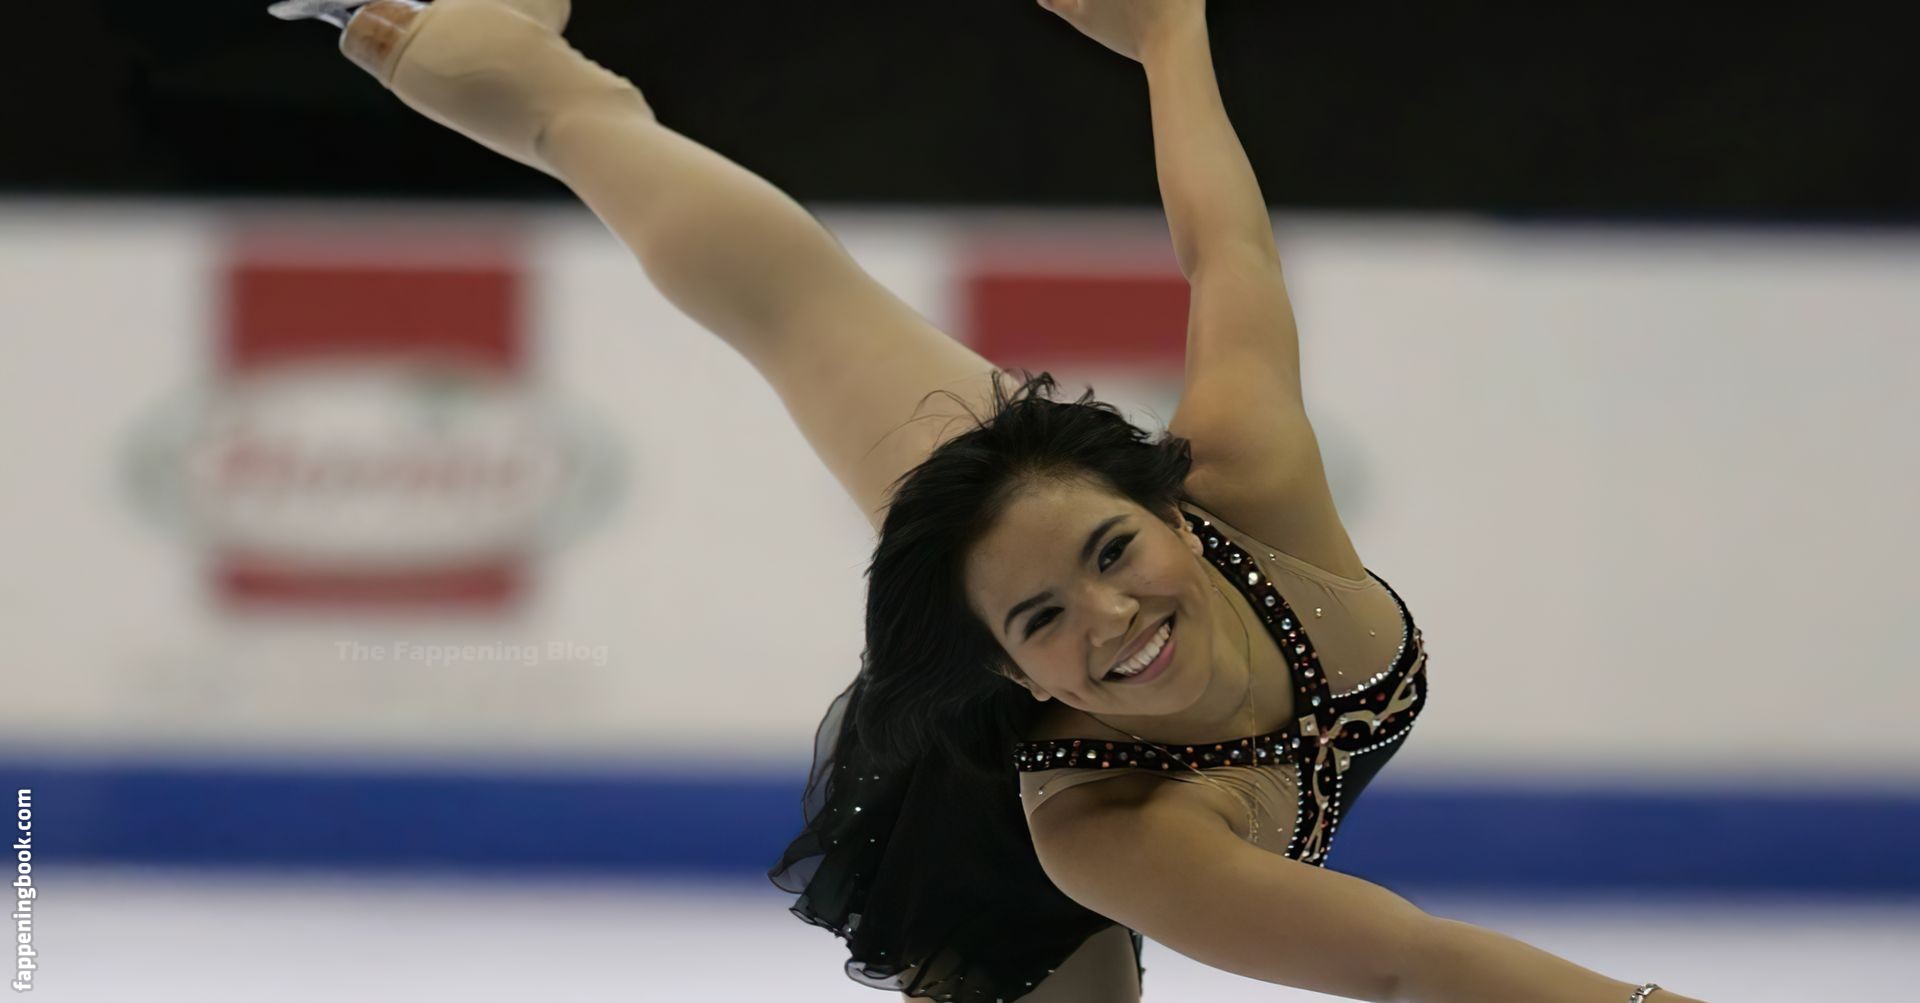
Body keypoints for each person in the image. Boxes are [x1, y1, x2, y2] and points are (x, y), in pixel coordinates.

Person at [278, 1, 1707, 1001]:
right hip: (984, 865)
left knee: (792, 295)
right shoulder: (1102, 831)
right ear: (1011, 668)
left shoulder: (1247, 480)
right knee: (750, 271)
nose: (1115, 615)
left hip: (1034, 544)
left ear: (1171, 506)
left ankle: (458, 39)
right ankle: (421, 38)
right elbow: (1403, 964)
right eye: (1043, 618)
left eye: (1114, 549)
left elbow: (1228, 251)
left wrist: (1171, 33)